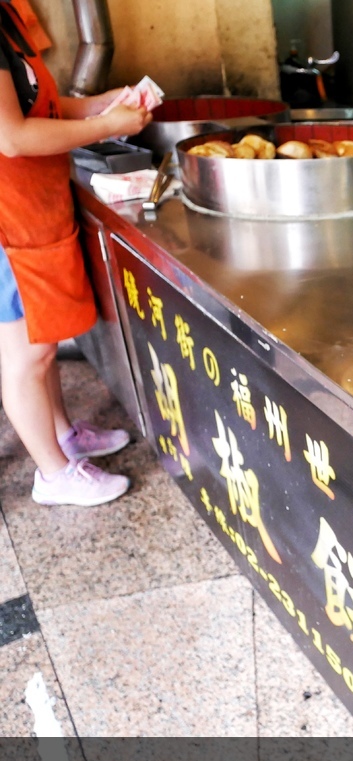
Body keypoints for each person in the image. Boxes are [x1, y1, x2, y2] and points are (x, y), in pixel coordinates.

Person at [0, 0, 153, 507]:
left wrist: (102, 104)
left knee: (42, 343)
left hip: (31, 207)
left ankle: (62, 437)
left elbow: (39, 107)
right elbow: (13, 137)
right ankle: (52, 473)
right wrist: (108, 127)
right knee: (26, 355)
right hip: (7, 220)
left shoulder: (6, 17)